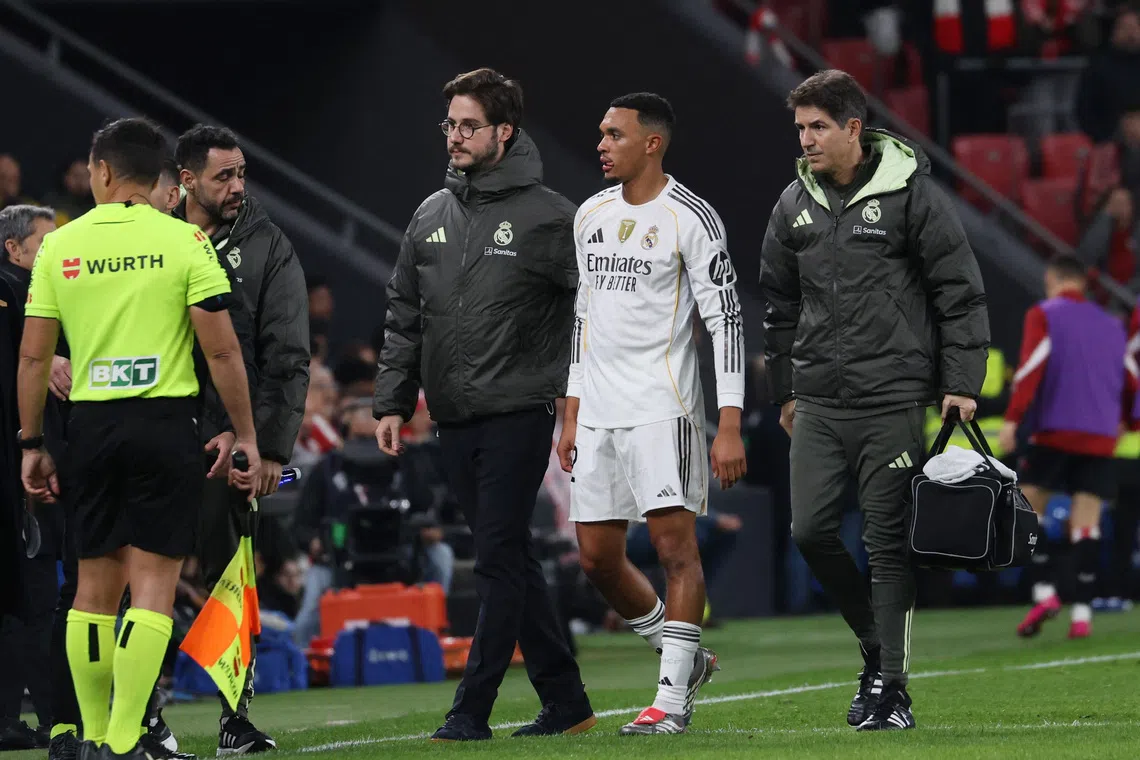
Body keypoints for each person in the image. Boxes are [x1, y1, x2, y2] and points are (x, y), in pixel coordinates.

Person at [16, 116, 261, 760]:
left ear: (100, 170)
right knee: (153, 584)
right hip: (163, 424)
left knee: (92, 589)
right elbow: (223, 351)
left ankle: (93, 733)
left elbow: (35, 360)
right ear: (159, 176)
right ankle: (127, 737)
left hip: (90, 427)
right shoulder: (184, 243)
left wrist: (32, 443)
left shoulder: (58, 246)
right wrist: (242, 429)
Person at [759, 69, 990, 731]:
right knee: (810, 532)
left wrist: (961, 385)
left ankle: (890, 690)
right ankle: (875, 646)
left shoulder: (912, 197)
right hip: (821, 404)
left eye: (818, 127)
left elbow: (960, 294)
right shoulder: (791, 205)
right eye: (800, 128)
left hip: (892, 399)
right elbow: (778, 302)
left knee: (888, 547)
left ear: (853, 128)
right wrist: (787, 388)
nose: (806, 140)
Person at [373, 67, 593, 741]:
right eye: (450, 125)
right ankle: (567, 702)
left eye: (469, 125)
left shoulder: (552, 217)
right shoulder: (430, 214)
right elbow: (404, 313)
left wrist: (575, 400)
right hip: (451, 415)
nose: (455, 137)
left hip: (519, 410)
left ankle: (471, 710)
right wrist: (392, 398)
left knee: (496, 556)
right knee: (512, 557)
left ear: (505, 131)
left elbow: (592, 314)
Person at [556, 93, 744, 736]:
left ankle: (671, 700)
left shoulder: (692, 217)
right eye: (602, 133)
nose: (602, 144)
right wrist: (572, 410)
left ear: (651, 142)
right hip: (600, 412)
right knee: (596, 559)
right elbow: (582, 319)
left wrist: (728, 422)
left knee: (674, 550)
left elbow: (726, 324)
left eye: (614, 134)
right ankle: (685, 661)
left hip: (665, 408)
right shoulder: (590, 215)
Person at [173, 123, 310, 755]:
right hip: (158, 436)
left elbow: (287, 354)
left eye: (241, 173)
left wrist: (269, 448)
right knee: (138, 580)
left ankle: (236, 717)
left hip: (233, 443)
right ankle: (142, 718)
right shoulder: (153, 235)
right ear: (186, 179)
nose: (237, 187)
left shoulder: (266, 244)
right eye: (223, 175)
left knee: (233, 578)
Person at [999, 255, 1136, 640]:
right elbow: (1131, 377)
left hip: (1055, 432)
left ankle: (1045, 594)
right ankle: (1082, 616)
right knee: (1086, 524)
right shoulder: (1112, 325)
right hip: (1100, 437)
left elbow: (1030, 367)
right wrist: (1129, 418)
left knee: (1030, 508)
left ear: (1056, 279)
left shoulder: (1045, 313)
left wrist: (1012, 419)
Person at [0, 204, 56, 751]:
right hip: (19, 473)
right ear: (14, 250)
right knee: (27, 598)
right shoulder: (13, 292)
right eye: (46, 244)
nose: (58, 255)